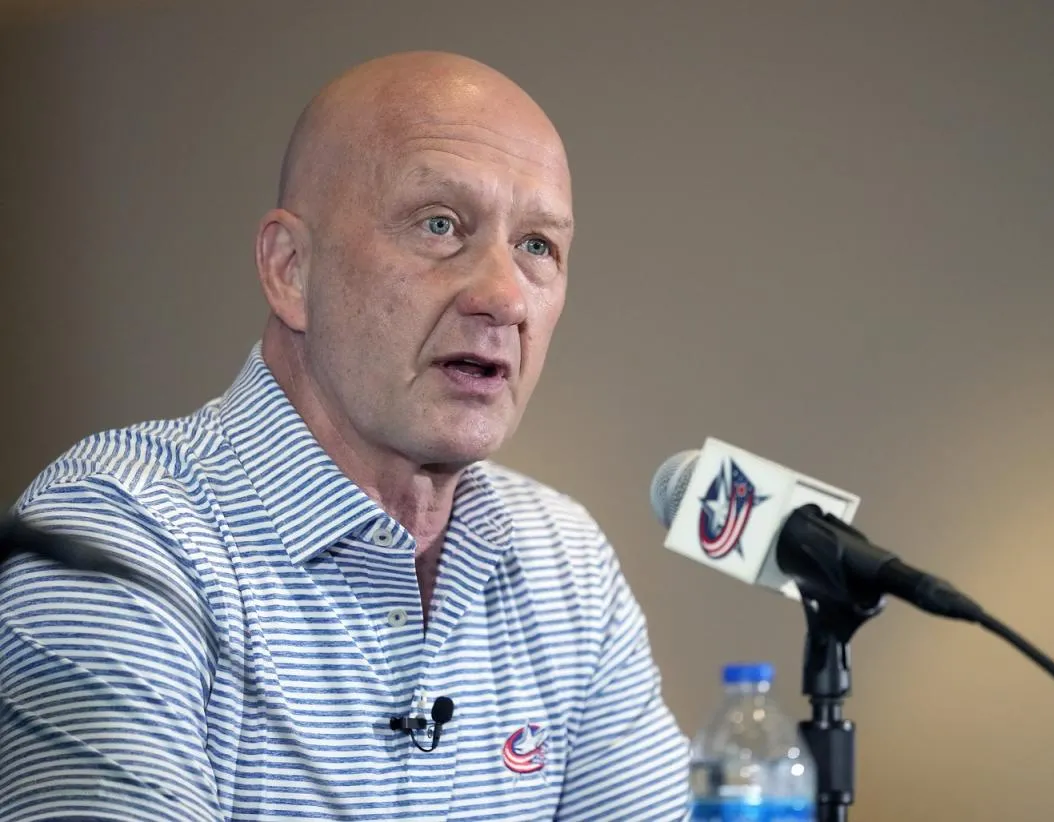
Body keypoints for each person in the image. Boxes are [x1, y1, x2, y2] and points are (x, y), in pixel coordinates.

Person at [0, 51, 690, 821]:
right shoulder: (119, 533)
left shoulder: (566, 565)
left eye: (537, 246)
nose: (504, 297)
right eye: (440, 225)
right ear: (291, 269)